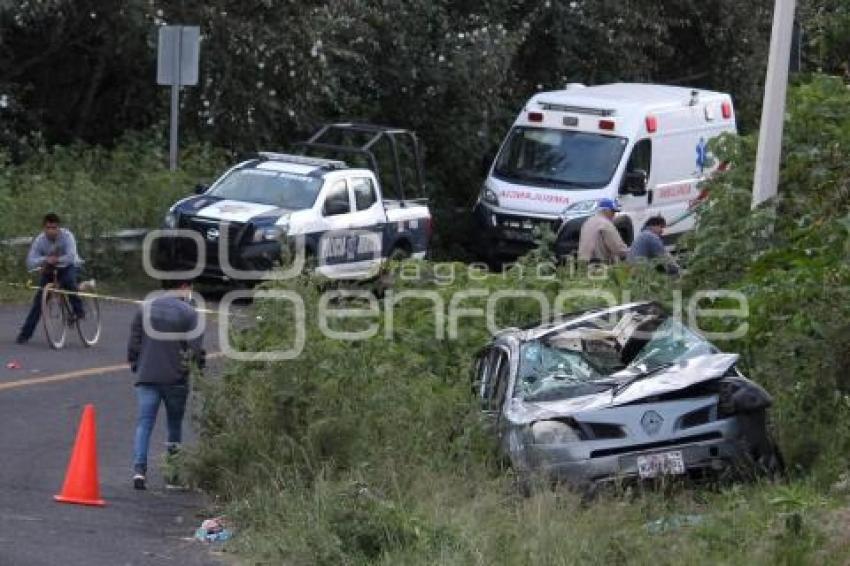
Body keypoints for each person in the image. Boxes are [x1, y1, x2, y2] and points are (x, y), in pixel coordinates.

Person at [127, 280, 205, 490]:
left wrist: (136, 363)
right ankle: (172, 475)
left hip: (148, 375)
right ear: (184, 287)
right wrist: (196, 370)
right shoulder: (190, 313)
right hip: (175, 379)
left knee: (144, 424)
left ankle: (139, 471)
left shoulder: (145, 308)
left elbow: (134, 341)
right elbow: (195, 350)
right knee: (174, 426)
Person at [16, 213, 84, 344]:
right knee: (39, 301)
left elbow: (71, 256)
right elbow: (30, 261)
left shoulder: (67, 236)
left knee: (69, 282)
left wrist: (57, 259)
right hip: (50, 268)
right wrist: (45, 259)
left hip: (68, 266)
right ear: (44, 228)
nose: (51, 231)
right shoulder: (40, 240)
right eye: (48, 227)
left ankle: (78, 310)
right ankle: (25, 334)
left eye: (54, 227)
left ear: (59, 228)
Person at [577, 198, 629, 263]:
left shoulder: (588, 222)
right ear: (606, 210)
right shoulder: (606, 224)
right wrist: (630, 253)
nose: (614, 215)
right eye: (613, 211)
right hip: (599, 265)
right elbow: (618, 248)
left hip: (582, 263)